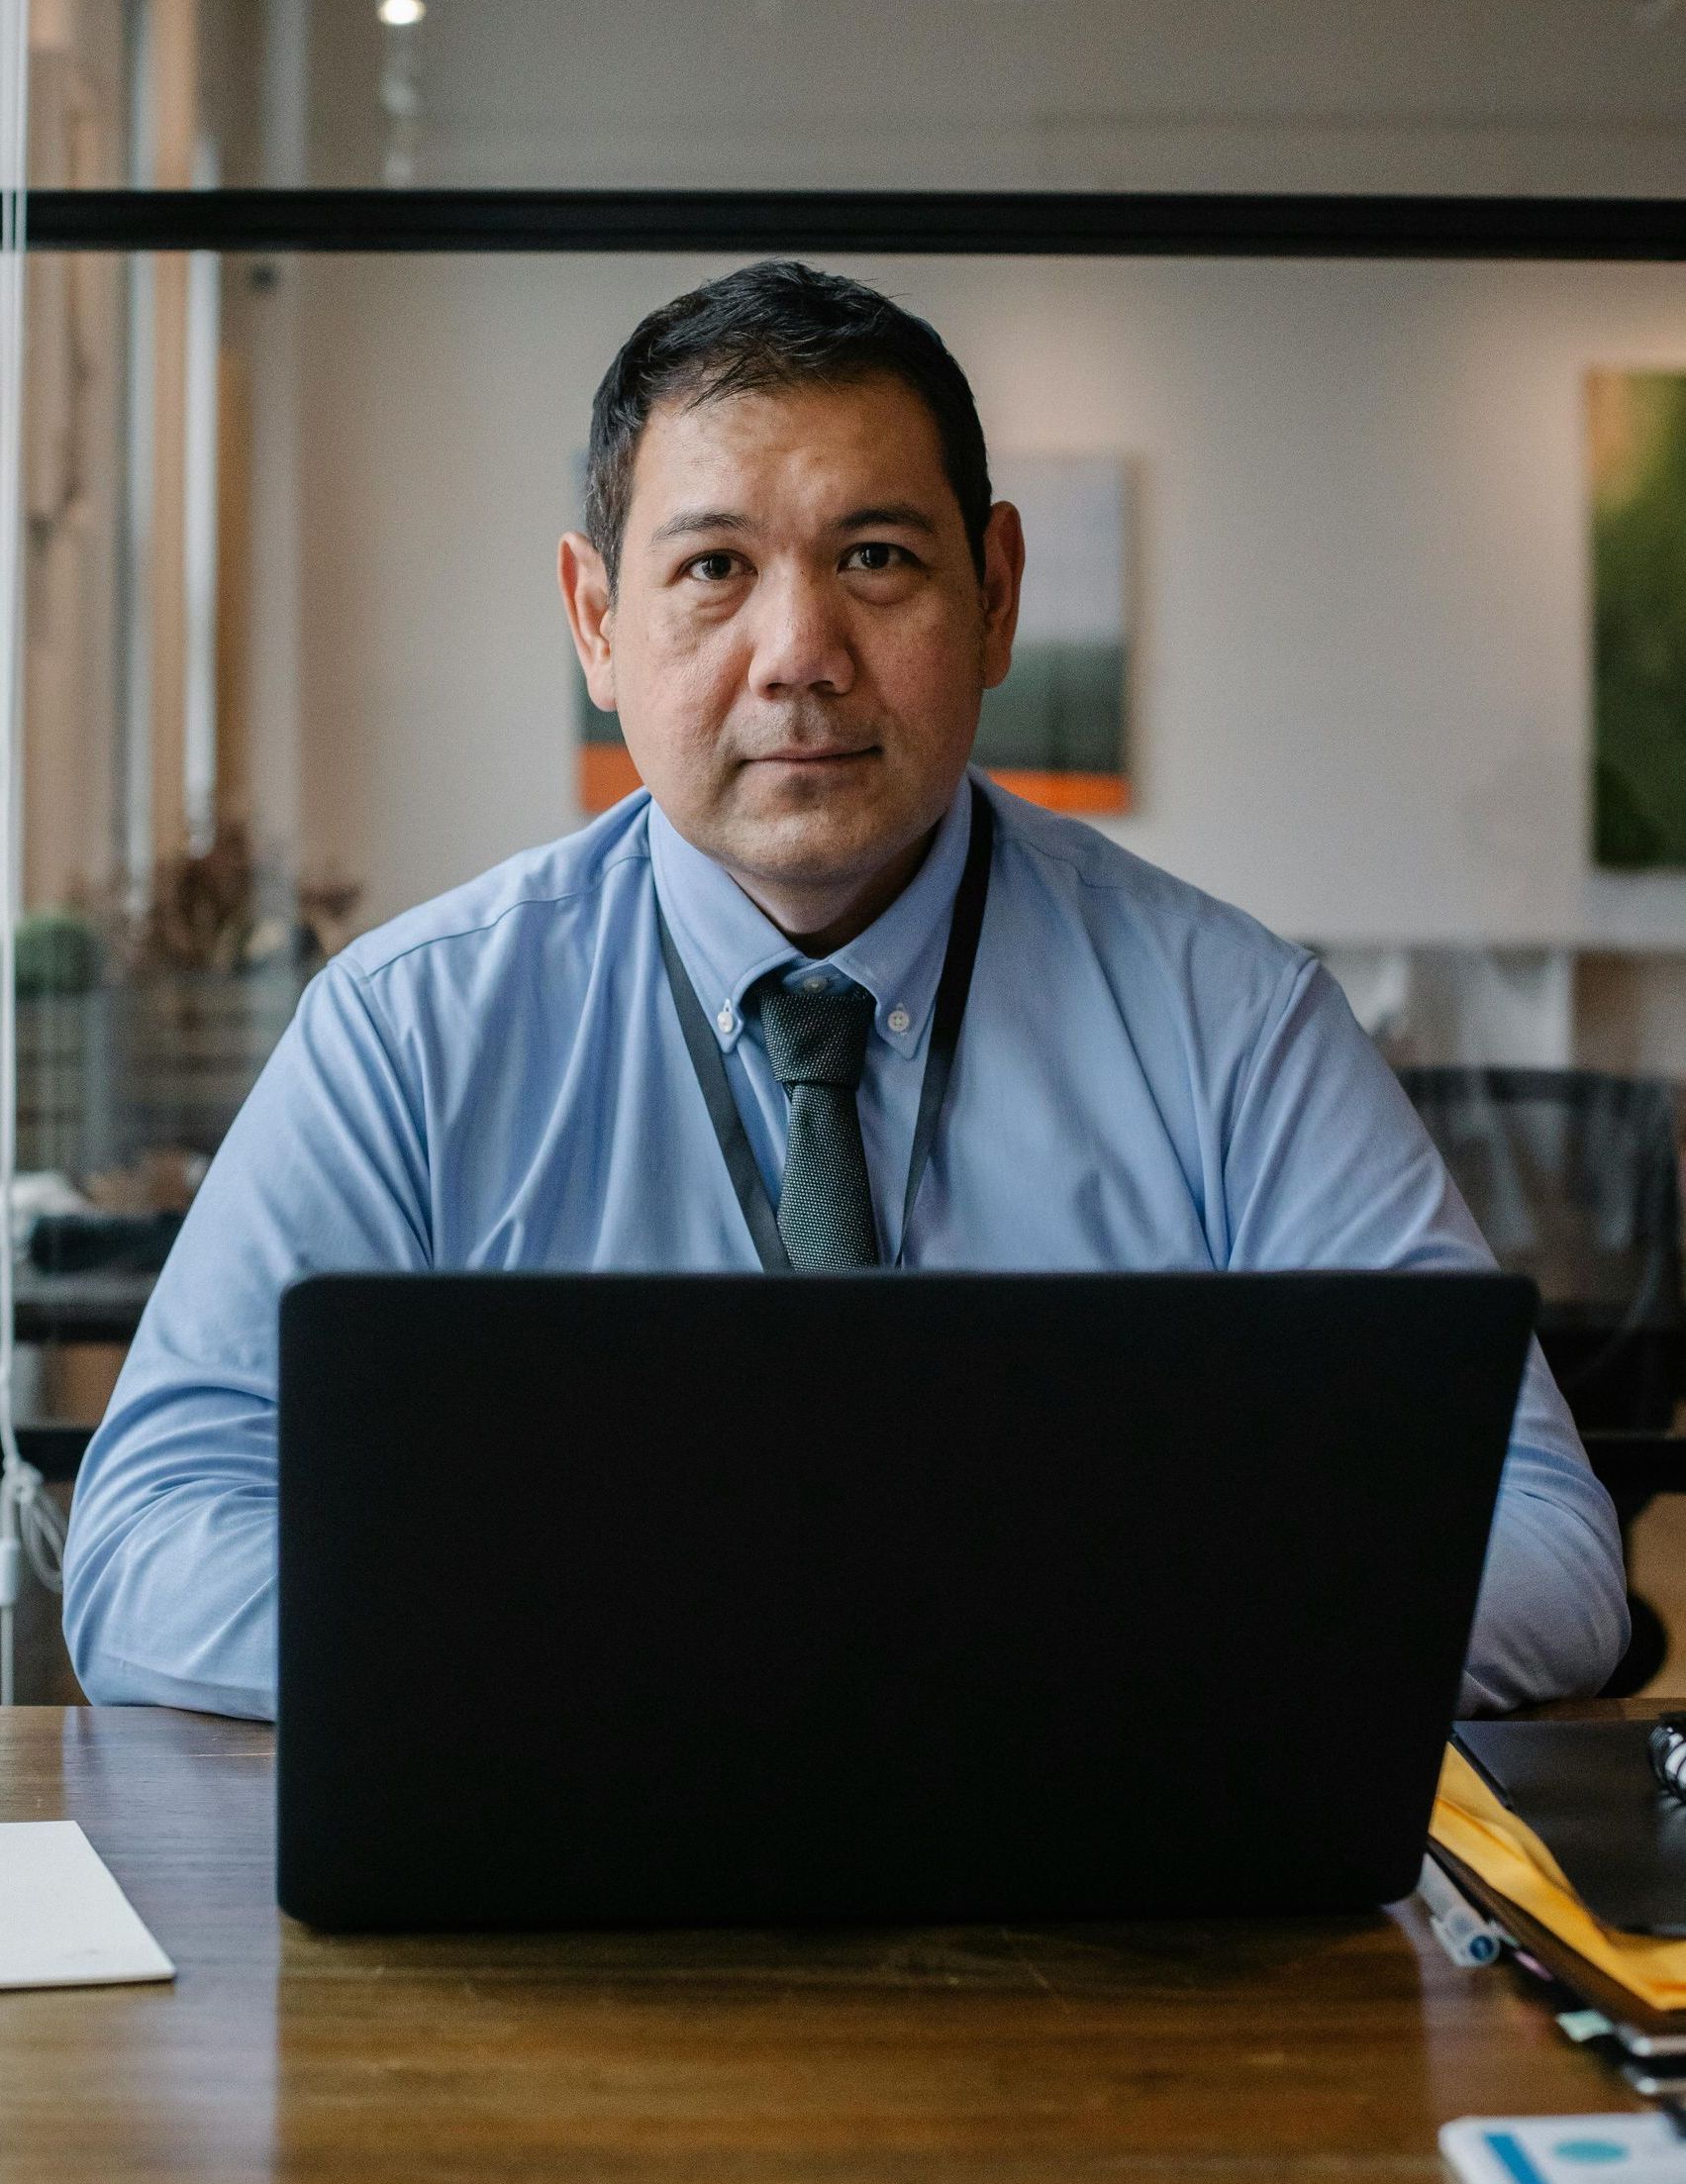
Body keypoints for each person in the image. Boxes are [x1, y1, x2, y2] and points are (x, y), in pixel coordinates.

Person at [62, 260, 1628, 1721]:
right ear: (598, 620)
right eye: (716, 568)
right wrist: (637, 1648)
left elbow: (1546, 1541)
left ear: (998, 592)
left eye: (876, 559)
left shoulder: (1231, 1022)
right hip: (572, 1919)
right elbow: (147, 1545)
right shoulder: (412, 1031)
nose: (799, 652)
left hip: (1106, 1930)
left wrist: (1045, 1645)